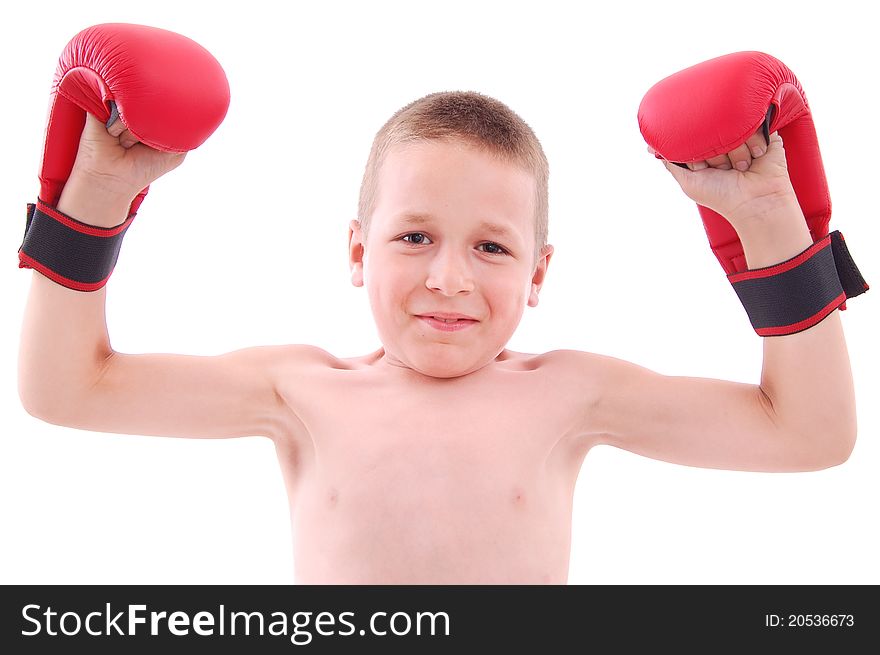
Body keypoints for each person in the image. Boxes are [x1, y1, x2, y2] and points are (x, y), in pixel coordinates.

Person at [18, 90, 857, 584]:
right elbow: (67, 387)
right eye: (414, 236)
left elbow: (808, 432)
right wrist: (95, 191)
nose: (448, 277)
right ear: (357, 249)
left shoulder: (568, 392)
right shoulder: (300, 389)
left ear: (538, 273)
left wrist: (770, 222)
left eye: (491, 247)